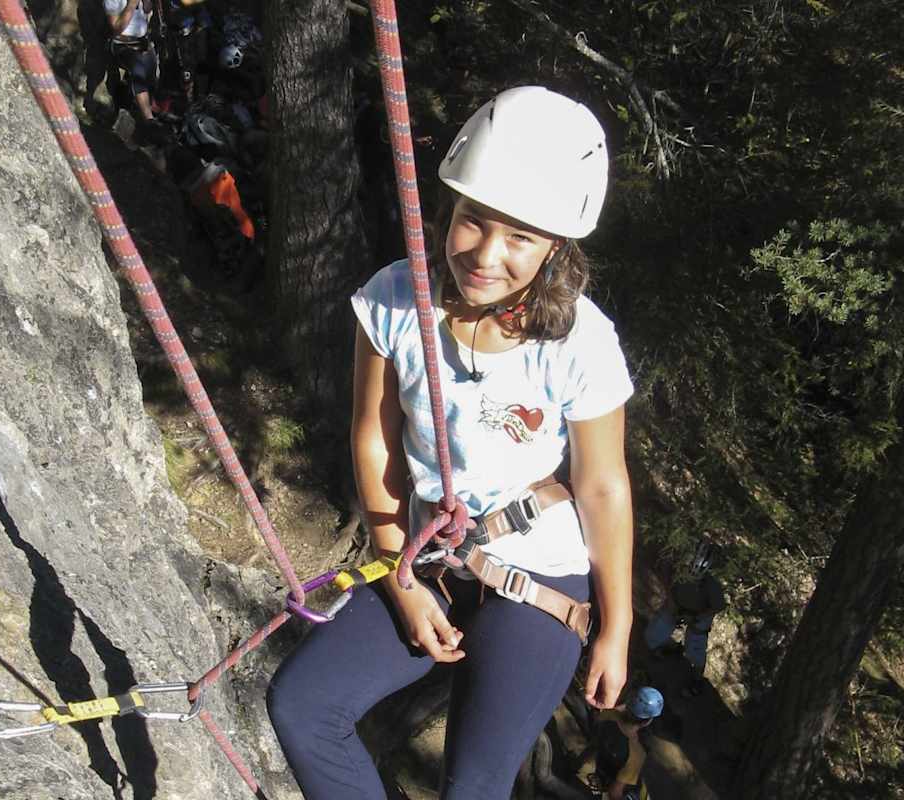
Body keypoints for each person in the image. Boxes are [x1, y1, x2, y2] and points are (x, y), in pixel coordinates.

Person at [265, 86, 636, 798]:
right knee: (305, 706)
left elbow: (601, 486)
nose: (485, 255)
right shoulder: (395, 299)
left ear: (555, 247)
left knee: (473, 787)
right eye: (473, 222)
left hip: (538, 575)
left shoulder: (578, 342)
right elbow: (374, 438)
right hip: (428, 555)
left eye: (520, 237)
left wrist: (616, 627)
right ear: (449, 211)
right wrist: (399, 578)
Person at [643, 540, 727, 697]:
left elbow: (718, 606)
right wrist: (672, 601)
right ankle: (662, 649)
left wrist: (696, 617)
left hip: (700, 613)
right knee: (654, 632)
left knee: (695, 646)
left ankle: (696, 679)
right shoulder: (678, 566)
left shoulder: (712, 584)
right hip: (677, 602)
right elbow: (667, 576)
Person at [582, 686, 663, 800]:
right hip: (614, 783)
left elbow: (595, 742)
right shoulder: (636, 754)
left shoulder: (607, 715)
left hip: (600, 766)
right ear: (646, 722)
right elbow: (614, 792)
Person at [104, 0, 159, 126]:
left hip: (142, 42)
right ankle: (149, 120)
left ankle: (141, 111)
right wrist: (131, 5)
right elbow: (117, 29)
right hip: (122, 44)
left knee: (151, 70)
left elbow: (146, 9)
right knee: (138, 70)